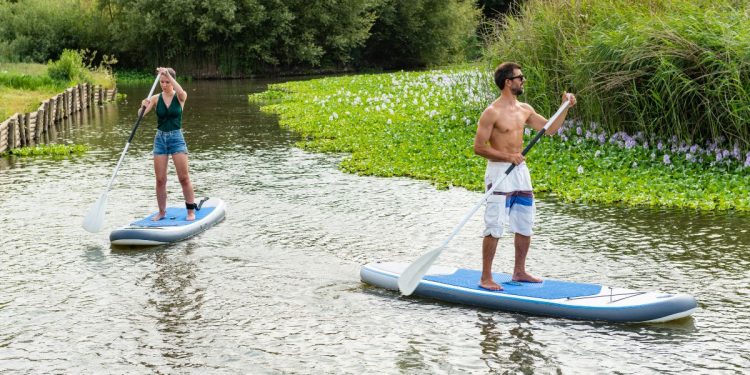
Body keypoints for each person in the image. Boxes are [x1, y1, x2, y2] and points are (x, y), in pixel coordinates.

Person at [473, 62, 576, 291]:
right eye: (520, 77)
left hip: (520, 172)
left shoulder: (524, 109)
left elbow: (549, 129)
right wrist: (507, 157)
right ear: (508, 82)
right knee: (495, 224)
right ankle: (485, 277)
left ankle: (519, 271)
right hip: (500, 171)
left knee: (525, 222)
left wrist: (564, 107)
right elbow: (479, 148)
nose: (523, 81)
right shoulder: (492, 112)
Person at [140, 67, 197, 221]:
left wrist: (168, 74)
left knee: (183, 178)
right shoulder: (156, 98)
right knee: (160, 179)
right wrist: (143, 106)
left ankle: (191, 211)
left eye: (167, 82)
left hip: (176, 138)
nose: (164, 85)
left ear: (172, 81)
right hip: (160, 140)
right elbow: (141, 115)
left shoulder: (180, 96)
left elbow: (181, 91)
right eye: (162, 82)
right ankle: (162, 212)